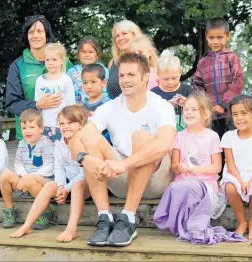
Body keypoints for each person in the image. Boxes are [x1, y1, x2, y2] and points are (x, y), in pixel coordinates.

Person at [69, 53, 176, 247]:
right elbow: (77, 138)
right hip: (121, 179)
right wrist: (85, 159)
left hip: (154, 181)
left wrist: (123, 164)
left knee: (141, 136)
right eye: (121, 75)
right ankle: (105, 219)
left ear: (145, 78)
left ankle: (128, 218)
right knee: (91, 140)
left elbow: (165, 144)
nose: (125, 80)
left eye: (131, 75)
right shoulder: (109, 107)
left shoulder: (161, 106)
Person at [153, 92, 245, 244]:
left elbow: (216, 168)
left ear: (205, 114)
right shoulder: (179, 136)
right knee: (176, 186)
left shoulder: (212, 136)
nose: (188, 112)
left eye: (194, 109)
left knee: (193, 186)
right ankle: (181, 224)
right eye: (186, 109)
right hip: (183, 183)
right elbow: (174, 168)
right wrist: (179, 167)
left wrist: (197, 170)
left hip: (205, 187)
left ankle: (194, 226)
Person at [10, 105, 91, 242]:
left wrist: (67, 188)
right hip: (65, 184)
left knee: (77, 185)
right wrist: (60, 186)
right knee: (49, 186)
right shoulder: (60, 144)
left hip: (84, 186)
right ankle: (27, 225)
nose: (65, 127)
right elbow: (58, 168)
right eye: (62, 123)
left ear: (81, 125)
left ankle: (71, 229)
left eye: (70, 123)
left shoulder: (87, 143)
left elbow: (84, 172)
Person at [5, 15, 73, 141]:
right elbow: (12, 103)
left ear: (46, 34)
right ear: (26, 36)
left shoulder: (65, 62)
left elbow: (77, 92)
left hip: (64, 133)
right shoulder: (17, 66)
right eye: (31, 32)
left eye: (39, 31)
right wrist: (37, 105)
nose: (35, 35)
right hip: (31, 135)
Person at [219, 95, 252, 239]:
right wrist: (241, 182)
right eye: (235, 114)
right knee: (231, 187)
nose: (239, 118)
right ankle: (242, 222)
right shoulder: (228, 137)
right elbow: (230, 164)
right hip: (235, 174)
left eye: (244, 113)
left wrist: (250, 181)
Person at [0, 109, 55, 229]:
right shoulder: (22, 144)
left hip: (42, 181)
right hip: (24, 182)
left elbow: (49, 167)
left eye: (31, 127)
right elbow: (18, 164)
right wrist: (24, 178)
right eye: (24, 128)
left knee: (31, 180)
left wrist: (30, 178)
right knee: (5, 175)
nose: (27, 131)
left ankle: (46, 211)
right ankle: (9, 210)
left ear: (41, 128)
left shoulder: (47, 143)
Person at [192, 17, 244, 139]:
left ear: (228, 36)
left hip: (230, 114)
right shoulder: (203, 62)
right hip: (210, 116)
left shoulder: (231, 58)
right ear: (206, 37)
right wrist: (206, 107)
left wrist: (223, 105)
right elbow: (197, 87)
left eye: (220, 37)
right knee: (213, 149)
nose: (215, 41)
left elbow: (237, 82)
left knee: (230, 147)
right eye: (211, 38)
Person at [34, 42, 75, 142]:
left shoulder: (66, 80)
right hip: (45, 125)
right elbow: (37, 104)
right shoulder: (40, 80)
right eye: (47, 59)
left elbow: (71, 106)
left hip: (62, 126)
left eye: (54, 59)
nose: (50, 63)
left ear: (61, 61)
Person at [151, 55, 193, 131]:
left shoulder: (188, 90)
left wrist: (188, 104)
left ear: (180, 72)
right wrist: (165, 106)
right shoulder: (153, 94)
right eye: (166, 79)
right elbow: (150, 118)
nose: (170, 82)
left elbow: (200, 113)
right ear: (157, 74)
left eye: (174, 78)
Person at [66, 36, 110, 104]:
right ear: (78, 55)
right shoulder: (71, 72)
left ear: (97, 55)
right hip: (77, 110)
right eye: (84, 52)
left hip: (99, 107)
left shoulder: (104, 70)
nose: (87, 55)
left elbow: (106, 92)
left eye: (90, 52)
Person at [107, 20, 143, 99]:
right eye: (117, 36)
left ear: (134, 35)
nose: (120, 38)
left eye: (124, 33)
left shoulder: (144, 58)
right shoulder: (112, 63)